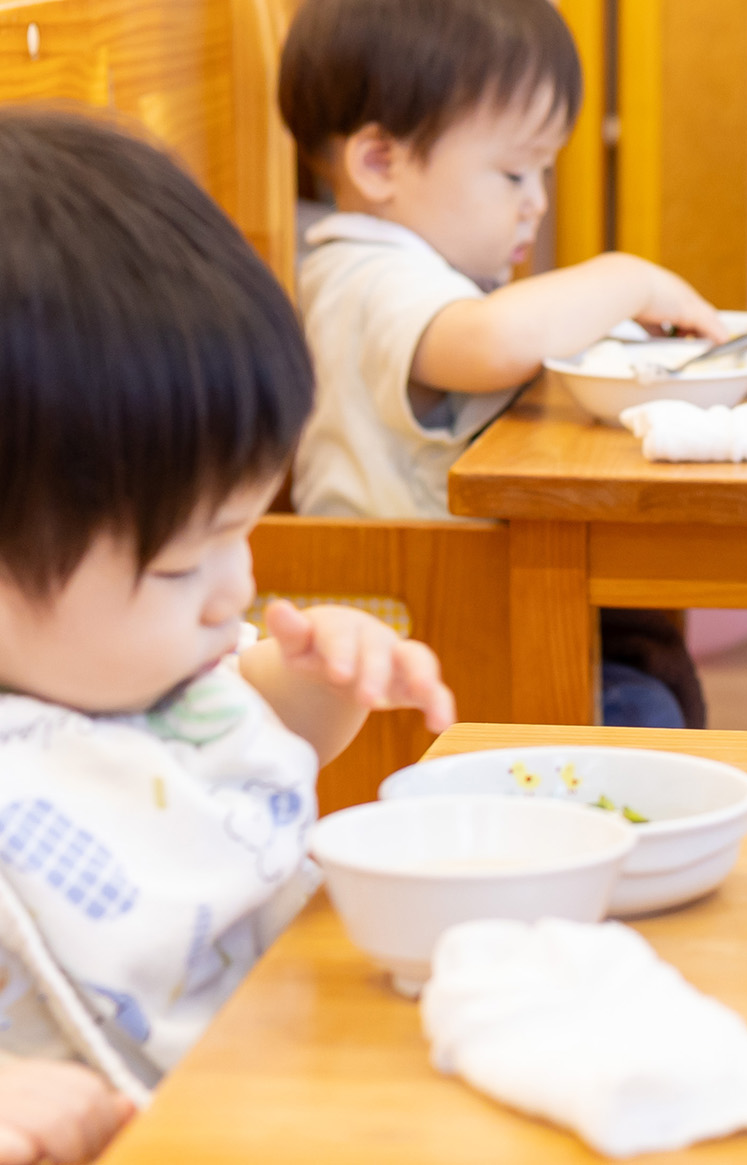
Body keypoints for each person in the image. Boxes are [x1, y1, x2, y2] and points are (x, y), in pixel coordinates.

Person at [0, 109, 454, 1146]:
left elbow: (242, 735)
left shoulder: (130, 667)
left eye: (242, 530)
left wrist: (321, 682)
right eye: (178, 563)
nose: (233, 587)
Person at [278, 0, 723, 727]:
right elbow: (487, 342)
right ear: (379, 163)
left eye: (543, 171)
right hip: (420, 636)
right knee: (644, 714)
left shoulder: (412, 266)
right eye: (514, 171)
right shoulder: (364, 277)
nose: (536, 202)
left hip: (454, 609)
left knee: (645, 661)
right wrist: (627, 277)